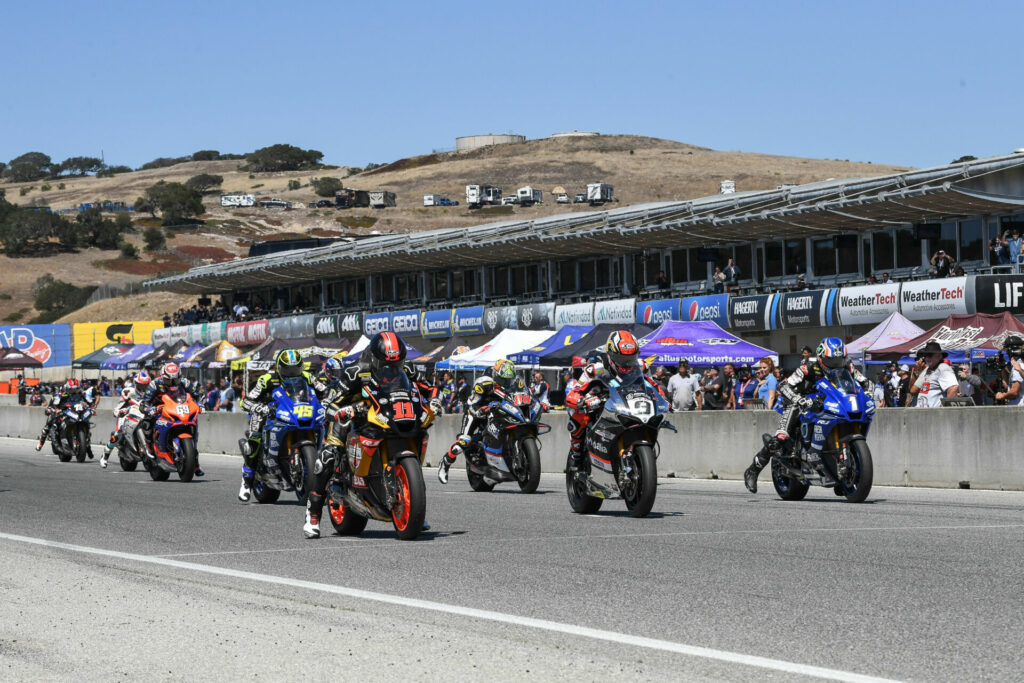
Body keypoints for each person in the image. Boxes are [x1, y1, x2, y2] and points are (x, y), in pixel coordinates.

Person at [308, 333, 439, 538]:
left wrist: (434, 401)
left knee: (417, 433)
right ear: (374, 358)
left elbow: (428, 388)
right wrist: (338, 412)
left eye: (397, 363)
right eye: (386, 363)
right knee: (328, 456)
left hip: (388, 414)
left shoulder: (406, 369)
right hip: (353, 415)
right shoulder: (356, 372)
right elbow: (332, 401)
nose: (392, 367)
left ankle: (413, 510)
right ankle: (313, 515)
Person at [743, 338, 871, 493]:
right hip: (799, 402)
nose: (837, 362)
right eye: (832, 359)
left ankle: (839, 472)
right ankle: (753, 470)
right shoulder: (808, 367)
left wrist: (869, 392)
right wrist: (798, 399)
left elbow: (864, 382)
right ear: (822, 357)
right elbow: (784, 385)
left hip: (825, 402)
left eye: (840, 359)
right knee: (781, 438)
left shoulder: (847, 366)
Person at [563, 331, 665, 476]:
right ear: (610, 355)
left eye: (630, 358)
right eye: (621, 358)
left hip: (628, 405)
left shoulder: (642, 366)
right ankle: (576, 454)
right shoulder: (594, 369)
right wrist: (582, 400)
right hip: (600, 404)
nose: (626, 363)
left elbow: (653, 386)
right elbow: (575, 391)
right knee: (578, 415)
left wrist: (662, 398)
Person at [238, 349, 332, 505]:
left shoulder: (307, 377)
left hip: (298, 411)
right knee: (255, 437)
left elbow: (327, 391)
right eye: (288, 369)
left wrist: (326, 402)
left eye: (295, 369)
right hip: (268, 412)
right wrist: (260, 408)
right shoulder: (267, 379)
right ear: (279, 368)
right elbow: (246, 400)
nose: (292, 372)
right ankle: (247, 480)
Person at [437, 358, 518, 485]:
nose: (507, 383)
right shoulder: (484, 382)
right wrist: (480, 410)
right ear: (496, 376)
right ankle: (446, 462)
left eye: (510, 379)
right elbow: (471, 403)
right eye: (504, 380)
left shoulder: (509, 387)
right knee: (464, 441)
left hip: (496, 411)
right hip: (476, 412)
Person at [140, 363, 204, 474]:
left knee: (193, 425)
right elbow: (144, 403)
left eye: (176, 380)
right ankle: (149, 447)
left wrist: (201, 404)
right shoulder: (154, 384)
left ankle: (195, 462)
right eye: (169, 381)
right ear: (163, 377)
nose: (173, 383)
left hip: (179, 408)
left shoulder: (185, 382)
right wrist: (149, 409)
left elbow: (198, 395)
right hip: (160, 410)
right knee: (146, 422)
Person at [99, 370, 151, 469]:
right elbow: (120, 405)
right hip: (128, 414)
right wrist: (119, 411)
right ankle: (105, 456)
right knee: (118, 433)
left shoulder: (150, 392)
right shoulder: (128, 391)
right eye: (142, 385)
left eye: (146, 385)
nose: (144, 388)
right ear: (136, 383)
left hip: (145, 414)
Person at [36, 378, 85, 452]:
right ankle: (40, 443)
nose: (74, 391)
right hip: (60, 410)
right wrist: (53, 409)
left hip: (71, 411)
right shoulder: (61, 393)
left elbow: (84, 400)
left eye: (76, 389)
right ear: (67, 388)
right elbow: (54, 403)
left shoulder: (79, 392)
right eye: (72, 389)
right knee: (49, 424)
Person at [906, 342, 958, 407]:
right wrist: (915, 373)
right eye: (925, 355)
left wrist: (945, 411)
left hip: (934, 414)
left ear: (939, 356)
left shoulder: (943, 367)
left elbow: (953, 388)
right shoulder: (927, 370)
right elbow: (913, 391)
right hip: (923, 413)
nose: (927, 358)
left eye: (930, 355)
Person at [994, 336, 1024, 406]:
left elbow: (1014, 392)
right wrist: (1003, 367)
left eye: (1007, 350)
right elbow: (1008, 384)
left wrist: (1002, 396)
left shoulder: (1018, 366)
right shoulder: (1019, 365)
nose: (1006, 353)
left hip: (1018, 408)